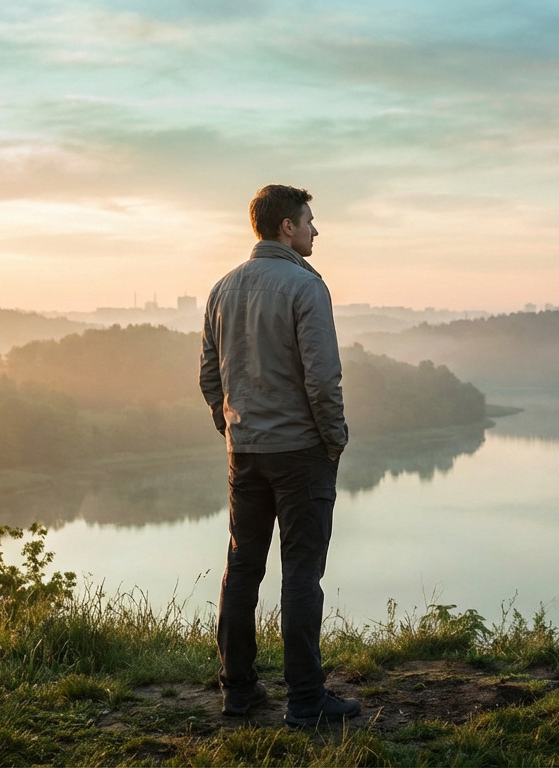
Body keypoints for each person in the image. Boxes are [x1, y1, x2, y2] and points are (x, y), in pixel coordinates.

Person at [199, 184, 361, 727]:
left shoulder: (223, 288)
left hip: (245, 453)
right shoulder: (305, 287)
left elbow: (208, 376)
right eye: (310, 221)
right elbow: (323, 378)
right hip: (300, 452)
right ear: (287, 228)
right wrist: (333, 440)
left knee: (242, 567)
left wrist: (233, 428)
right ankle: (306, 699)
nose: (317, 230)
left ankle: (238, 692)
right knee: (301, 572)